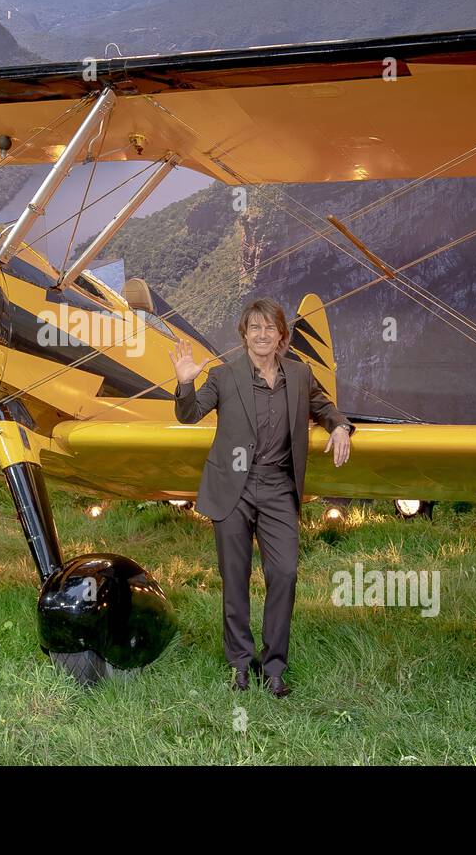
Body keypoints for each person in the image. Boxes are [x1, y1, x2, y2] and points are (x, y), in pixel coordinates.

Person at [171, 298, 354, 697]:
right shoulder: (223, 376)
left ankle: (274, 668)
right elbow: (188, 415)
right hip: (232, 490)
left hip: (277, 489)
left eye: (270, 328)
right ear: (244, 336)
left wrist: (340, 427)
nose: (262, 335)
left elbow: (325, 407)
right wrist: (185, 382)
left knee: (284, 573)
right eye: (254, 328)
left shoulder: (300, 375)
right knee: (234, 578)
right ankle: (240, 663)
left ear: (281, 336)